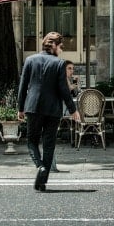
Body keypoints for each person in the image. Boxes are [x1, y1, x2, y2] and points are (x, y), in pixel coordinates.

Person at [17, 31, 81, 192]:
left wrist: (20, 108)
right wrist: (73, 110)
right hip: (53, 109)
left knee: (32, 141)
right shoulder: (59, 64)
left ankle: (40, 167)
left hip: (33, 107)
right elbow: (63, 90)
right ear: (53, 46)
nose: (61, 49)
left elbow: (23, 86)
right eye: (60, 46)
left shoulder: (30, 60)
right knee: (49, 144)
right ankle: (42, 181)